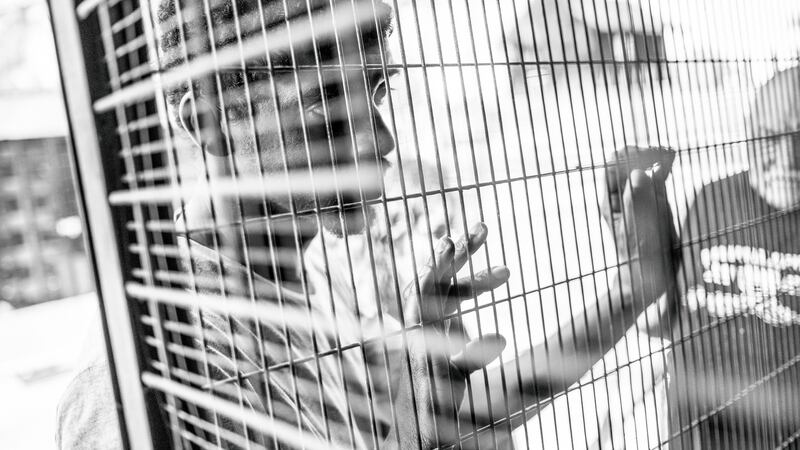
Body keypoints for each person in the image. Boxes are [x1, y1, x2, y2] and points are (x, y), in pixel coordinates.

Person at [56, 0, 677, 448]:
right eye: (328, 107)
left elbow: (448, 423)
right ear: (214, 120)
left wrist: (631, 291)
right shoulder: (142, 381)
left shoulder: (320, 286)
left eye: (376, 92)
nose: (379, 140)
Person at [665, 66, 800, 449]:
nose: (789, 160)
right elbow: (663, 318)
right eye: (770, 137)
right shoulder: (711, 199)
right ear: (747, 132)